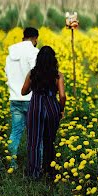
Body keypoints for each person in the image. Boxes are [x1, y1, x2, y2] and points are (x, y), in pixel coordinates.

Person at [21, 46, 66, 179]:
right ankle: (50, 171)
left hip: (36, 107)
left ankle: (34, 173)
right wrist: (61, 109)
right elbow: (62, 96)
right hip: (52, 107)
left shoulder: (33, 73)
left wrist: (33, 87)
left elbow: (23, 91)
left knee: (34, 141)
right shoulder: (58, 75)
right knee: (49, 140)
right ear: (53, 59)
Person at [5, 27, 39, 167]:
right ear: (35, 38)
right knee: (35, 135)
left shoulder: (10, 55)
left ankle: (12, 163)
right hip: (31, 99)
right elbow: (35, 74)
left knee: (15, 132)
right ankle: (35, 164)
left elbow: (7, 73)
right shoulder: (35, 52)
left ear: (23, 37)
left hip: (15, 98)